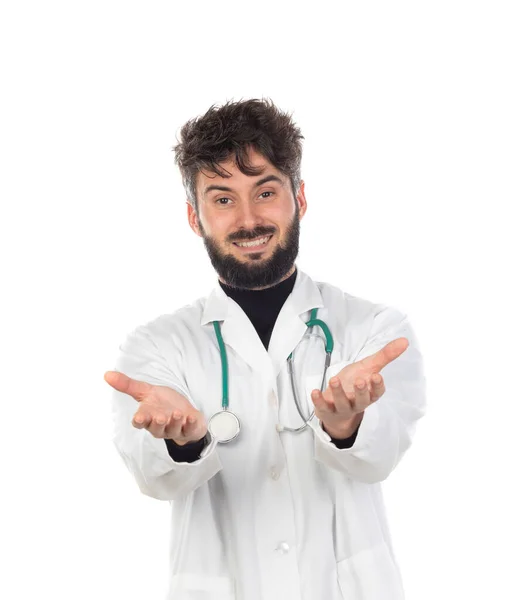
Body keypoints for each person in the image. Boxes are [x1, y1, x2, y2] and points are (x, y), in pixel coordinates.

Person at [104, 98, 427, 600]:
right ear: (195, 216)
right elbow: (155, 479)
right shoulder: (155, 348)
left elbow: (380, 458)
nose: (249, 219)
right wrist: (181, 442)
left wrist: (348, 427)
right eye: (223, 199)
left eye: (266, 191)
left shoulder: (373, 329)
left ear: (299, 197)